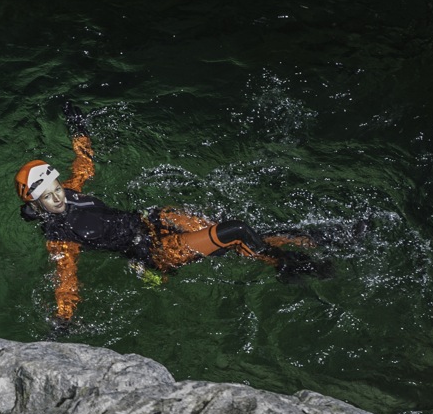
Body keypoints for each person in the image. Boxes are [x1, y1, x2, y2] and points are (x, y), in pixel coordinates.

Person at [17, 100, 330, 328]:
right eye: (48, 197)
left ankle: (308, 240)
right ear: (35, 205)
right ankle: (288, 264)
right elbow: (66, 278)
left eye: (56, 188)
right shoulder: (59, 237)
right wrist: (63, 317)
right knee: (234, 232)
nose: (57, 197)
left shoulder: (69, 190)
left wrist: (78, 130)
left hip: (155, 220)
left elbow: (84, 165)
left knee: (241, 236)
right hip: (156, 251)